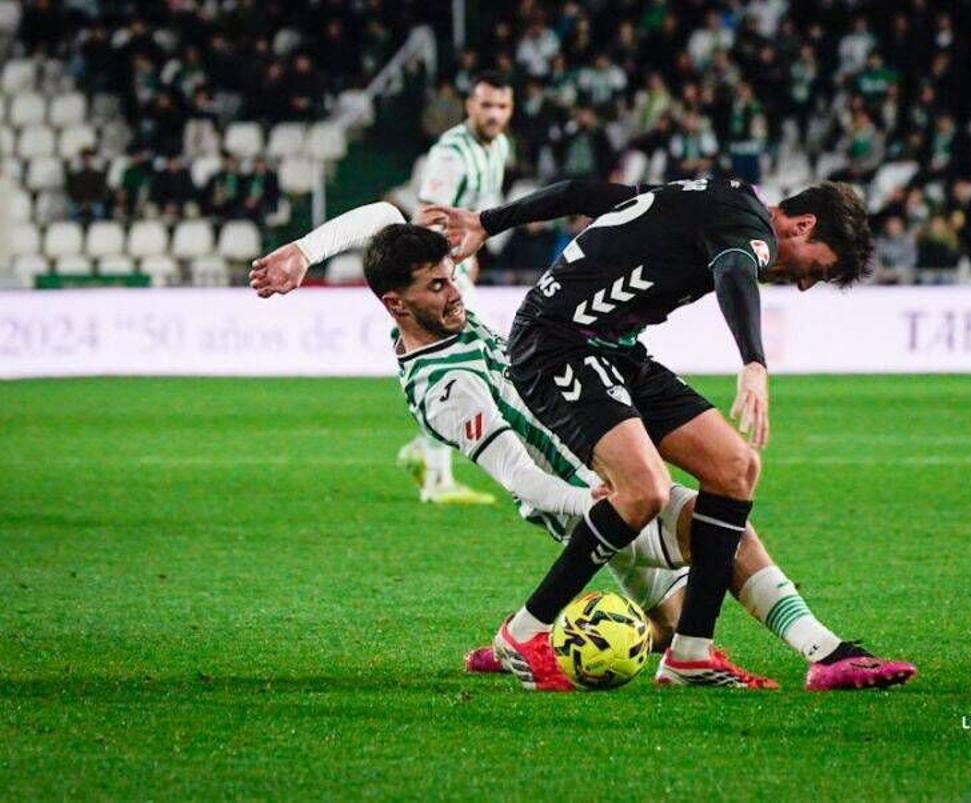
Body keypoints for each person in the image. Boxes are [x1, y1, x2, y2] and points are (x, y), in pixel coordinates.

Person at [249, 215, 916, 693]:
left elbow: (388, 215)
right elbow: (521, 479)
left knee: (668, 616)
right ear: (395, 304)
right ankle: (821, 648)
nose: (453, 293)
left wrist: (305, 251)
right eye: (435, 288)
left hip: (594, 455)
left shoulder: (446, 311)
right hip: (579, 494)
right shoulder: (445, 387)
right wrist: (598, 497)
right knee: (722, 525)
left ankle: (642, 647)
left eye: (450, 279)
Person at [434, 177, 909, 690]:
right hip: (556, 343)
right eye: (815, 268)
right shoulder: (747, 227)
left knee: (736, 466)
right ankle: (524, 632)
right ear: (803, 224)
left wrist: (488, 221)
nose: (801, 283)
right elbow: (734, 270)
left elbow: (586, 194)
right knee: (644, 490)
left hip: (614, 348)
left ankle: (691, 655)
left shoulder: (711, 198)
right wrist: (753, 361)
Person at [397, 70, 516, 506]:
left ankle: (425, 456)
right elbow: (429, 214)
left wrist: (473, 256)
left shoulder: (500, 146)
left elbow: (476, 211)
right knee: (461, 364)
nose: (493, 114)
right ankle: (436, 477)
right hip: (440, 269)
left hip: (459, 266)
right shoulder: (450, 153)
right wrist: (438, 275)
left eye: (501, 106)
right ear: (470, 107)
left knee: (464, 364)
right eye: (486, 105)